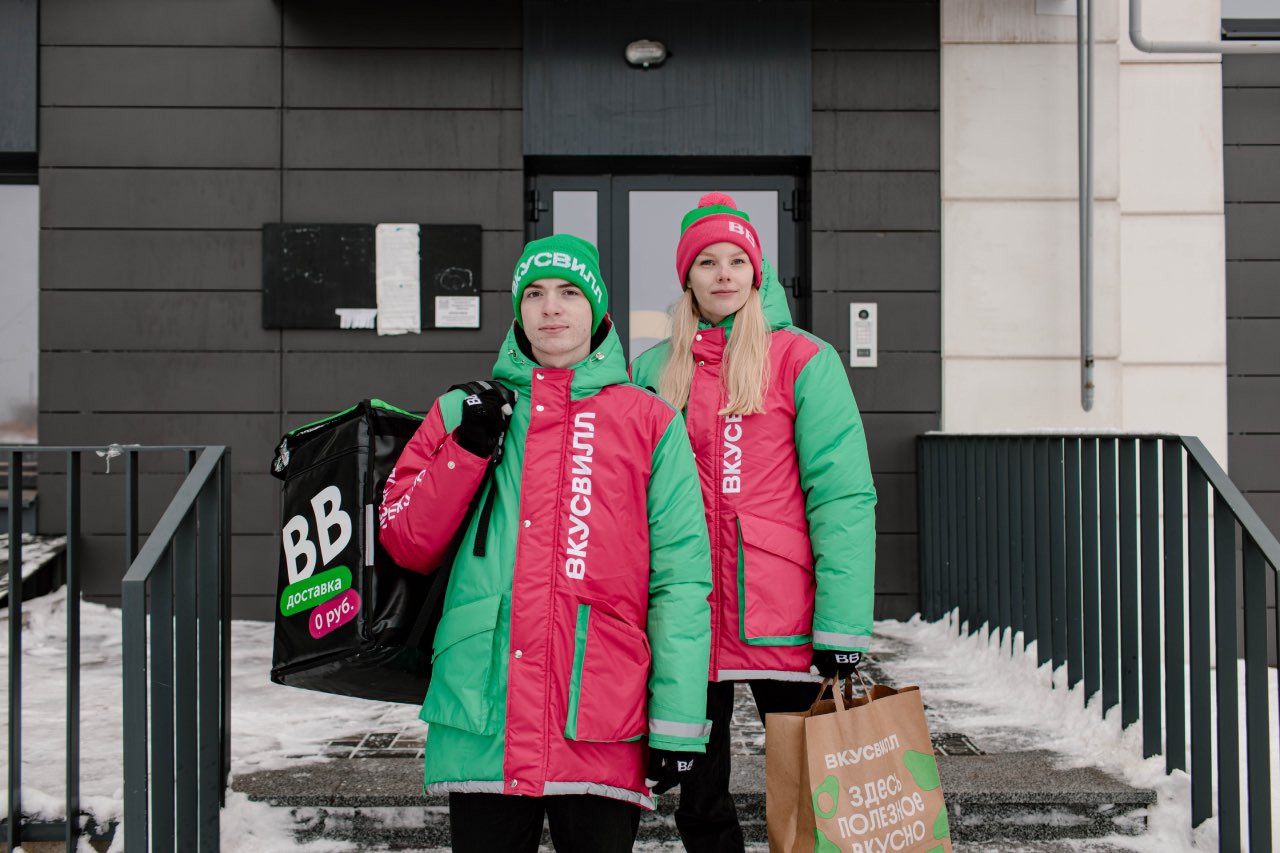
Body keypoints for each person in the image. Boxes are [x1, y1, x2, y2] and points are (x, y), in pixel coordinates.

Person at [379, 234, 713, 853]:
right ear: (518, 310)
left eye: (568, 292)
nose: (551, 308)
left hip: (599, 712)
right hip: (484, 713)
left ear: (597, 309)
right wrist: (467, 450)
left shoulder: (649, 422)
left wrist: (677, 725)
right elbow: (406, 541)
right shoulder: (463, 411)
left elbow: (682, 582)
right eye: (534, 294)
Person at [630, 193, 877, 852]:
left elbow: (843, 494)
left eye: (737, 259)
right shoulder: (652, 370)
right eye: (707, 261)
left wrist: (843, 623)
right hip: (690, 617)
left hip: (785, 611)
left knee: (808, 791)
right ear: (688, 276)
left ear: (757, 270)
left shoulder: (802, 360)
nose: (723, 273)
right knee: (698, 799)